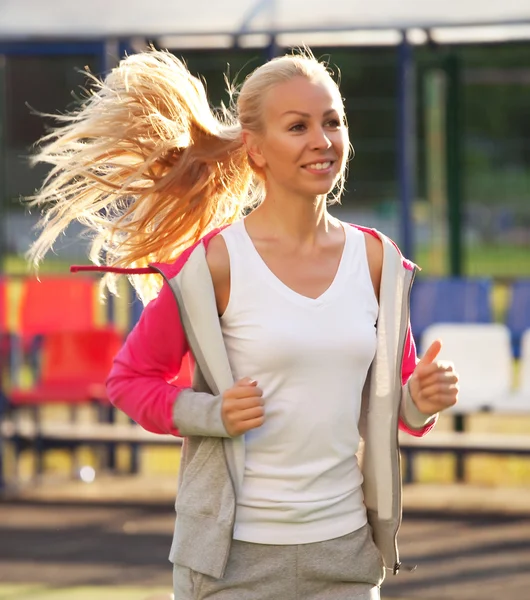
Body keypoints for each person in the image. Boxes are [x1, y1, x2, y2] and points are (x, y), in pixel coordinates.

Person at [27, 47, 459, 600]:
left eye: (333, 121)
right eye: (298, 126)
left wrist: (421, 398)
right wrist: (213, 413)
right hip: (231, 564)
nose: (322, 140)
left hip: (346, 557)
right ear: (256, 150)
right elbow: (128, 381)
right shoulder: (215, 264)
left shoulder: (378, 262)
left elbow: (393, 410)